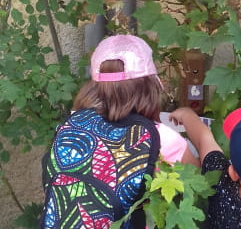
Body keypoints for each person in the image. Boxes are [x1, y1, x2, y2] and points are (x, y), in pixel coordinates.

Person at [41, 34, 198, 229]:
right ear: (149, 87)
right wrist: (194, 123)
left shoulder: (74, 126)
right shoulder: (161, 138)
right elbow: (197, 181)